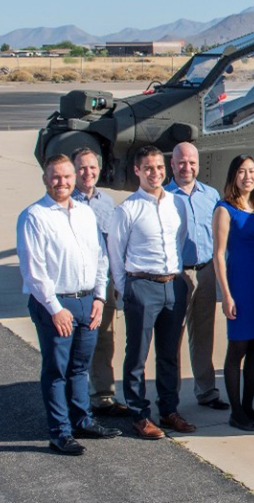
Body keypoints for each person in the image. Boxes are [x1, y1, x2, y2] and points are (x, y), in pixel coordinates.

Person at [18, 154, 120, 456]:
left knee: (79, 368)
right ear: (45, 179)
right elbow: (33, 270)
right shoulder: (34, 216)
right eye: (55, 176)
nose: (61, 182)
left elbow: (100, 257)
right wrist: (54, 308)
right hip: (56, 305)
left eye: (66, 176)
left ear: (74, 178)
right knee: (57, 371)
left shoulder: (85, 214)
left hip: (88, 301)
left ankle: (82, 420)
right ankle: (60, 432)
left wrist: (100, 297)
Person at [108, 146, 195, 439]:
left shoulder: (176, 204)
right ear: (137, 171)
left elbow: (178, 239)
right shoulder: (127, 209)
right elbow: (115, 254)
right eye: (148, 168)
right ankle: (139, 414)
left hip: (173, 285)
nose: (155, 173)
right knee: (137, 355)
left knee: (169, 354)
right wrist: (126, 290)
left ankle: (169, 410)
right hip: (142, 286)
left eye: (159, 167)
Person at [213, 155, 254, 431]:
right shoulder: (225, 209)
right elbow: (218, 254)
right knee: (238, 346)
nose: (248, 176)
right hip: (239, 283)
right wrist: (226, 295)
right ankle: (236, 411)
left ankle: (249, 406)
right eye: (242, 172)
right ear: (233, 176)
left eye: (251, 171)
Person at [165, 142, 228, 411]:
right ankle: (170, 395)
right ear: (172, 165)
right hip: (177, 275)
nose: (187, 167)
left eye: (191, 162)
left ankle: (206, 390)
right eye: (181, 162)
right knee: (172, 336)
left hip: (205, 272)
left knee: (203, 334)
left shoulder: (211, 195)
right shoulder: (164, 197)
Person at [70, 147, 129, 419]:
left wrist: (117, 279)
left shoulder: (107, 202)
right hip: (75, 283)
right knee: (75, 343)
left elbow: (114, 244)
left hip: (103, 281)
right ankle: (74, 399)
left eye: (92, 167)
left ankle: (103, 395)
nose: (88, 173)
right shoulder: (67, 203)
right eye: (82, 168)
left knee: (105, 337)